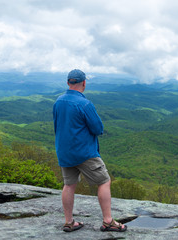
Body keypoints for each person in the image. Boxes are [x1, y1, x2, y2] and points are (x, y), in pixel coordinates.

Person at [53, 69, 127, 233]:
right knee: (104, 181)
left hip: (64, 151)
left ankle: (69, 222)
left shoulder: (58, 101)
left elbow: (58, 125)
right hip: (84, 152)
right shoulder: (85, 104)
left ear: (68, 82)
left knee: (69, 185)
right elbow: (97, 128)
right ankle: (108, 221)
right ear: (84, 83)